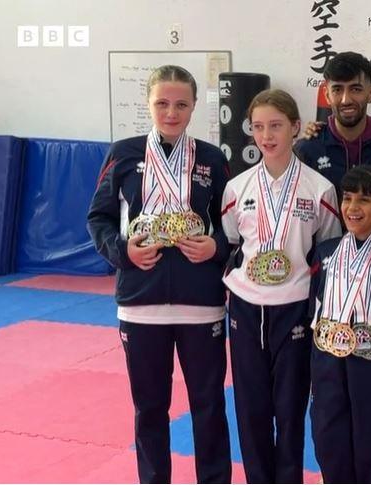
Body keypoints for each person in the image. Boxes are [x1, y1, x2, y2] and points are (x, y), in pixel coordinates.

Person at [87, 64, 231, 483]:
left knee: (208, 405)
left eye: (181, 104)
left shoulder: (210, 157)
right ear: (148, 103)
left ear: (193, 107)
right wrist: (123, 251)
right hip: (141, 302)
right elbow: (98, 218)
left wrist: (216, 246)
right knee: (149, 407)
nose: (171, 112)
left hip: (200, 304)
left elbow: (233, 223)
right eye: (162, 103)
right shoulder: (124, 152)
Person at [221, 89, 341, 483]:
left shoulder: (319, 189)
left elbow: (327, 248)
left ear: (294, 128)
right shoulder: (237, 188)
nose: (267, 135)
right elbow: (232, 241)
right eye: (258, 127)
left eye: (275, 126)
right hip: (245, 305)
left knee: (289, 409)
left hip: (294, 307)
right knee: (251, 407)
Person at [308, 165, 371, 483]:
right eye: (347, 199)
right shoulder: (325, 253)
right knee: (327, 434)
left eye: (364, 200)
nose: (353, 208)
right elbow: (312, 307)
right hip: (328, 360)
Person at [294, 51, 371, 240]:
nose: (346, 99)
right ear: (327, 94)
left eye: (355, 89)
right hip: (323, 263)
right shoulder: (307, 149)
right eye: (337, 89)